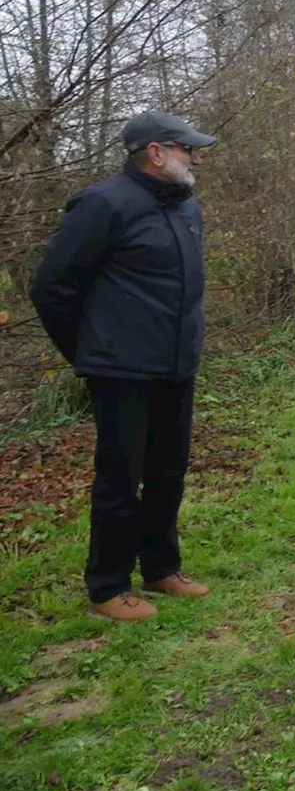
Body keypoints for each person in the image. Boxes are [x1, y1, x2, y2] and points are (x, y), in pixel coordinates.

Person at [30, 110, 217, 621]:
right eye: (188, 149)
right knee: (120, 478)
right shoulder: (102, 204)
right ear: (156, 152)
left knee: (168, 470)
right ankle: (107, 586)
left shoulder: (185, 209)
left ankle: (161, 568)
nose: (197, 157)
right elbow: (52, 287)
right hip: (122, 370)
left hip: (176, 365)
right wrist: (90, 351)